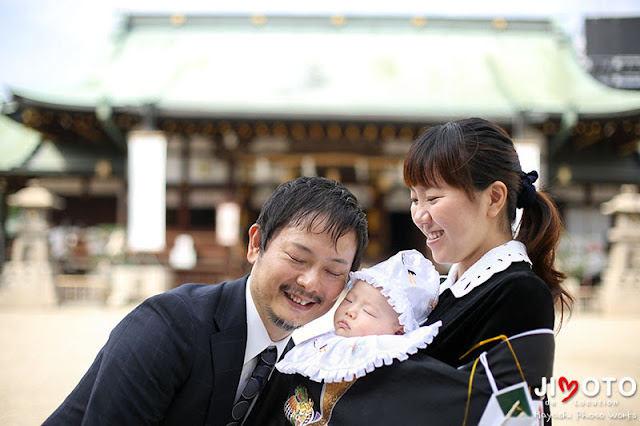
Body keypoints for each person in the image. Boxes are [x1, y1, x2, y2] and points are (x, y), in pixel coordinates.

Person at [249, 118, 572, 425]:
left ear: (494, 198)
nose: (419, 214)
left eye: (432, 197)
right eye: (414, 198)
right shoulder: (438, 292)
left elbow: (515, 411)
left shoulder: (519, 292)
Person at [42, 176, 368, 426]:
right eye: (298, 257)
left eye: (333, 271)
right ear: (256, 244)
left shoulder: (301, 362)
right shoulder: (167, 326)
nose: (310, 282)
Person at [275, 250, 441, 391]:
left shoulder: (388, 363)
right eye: (348, 300)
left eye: (368, 311)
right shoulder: (324, 345)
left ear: (399, 331)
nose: (350, 311)